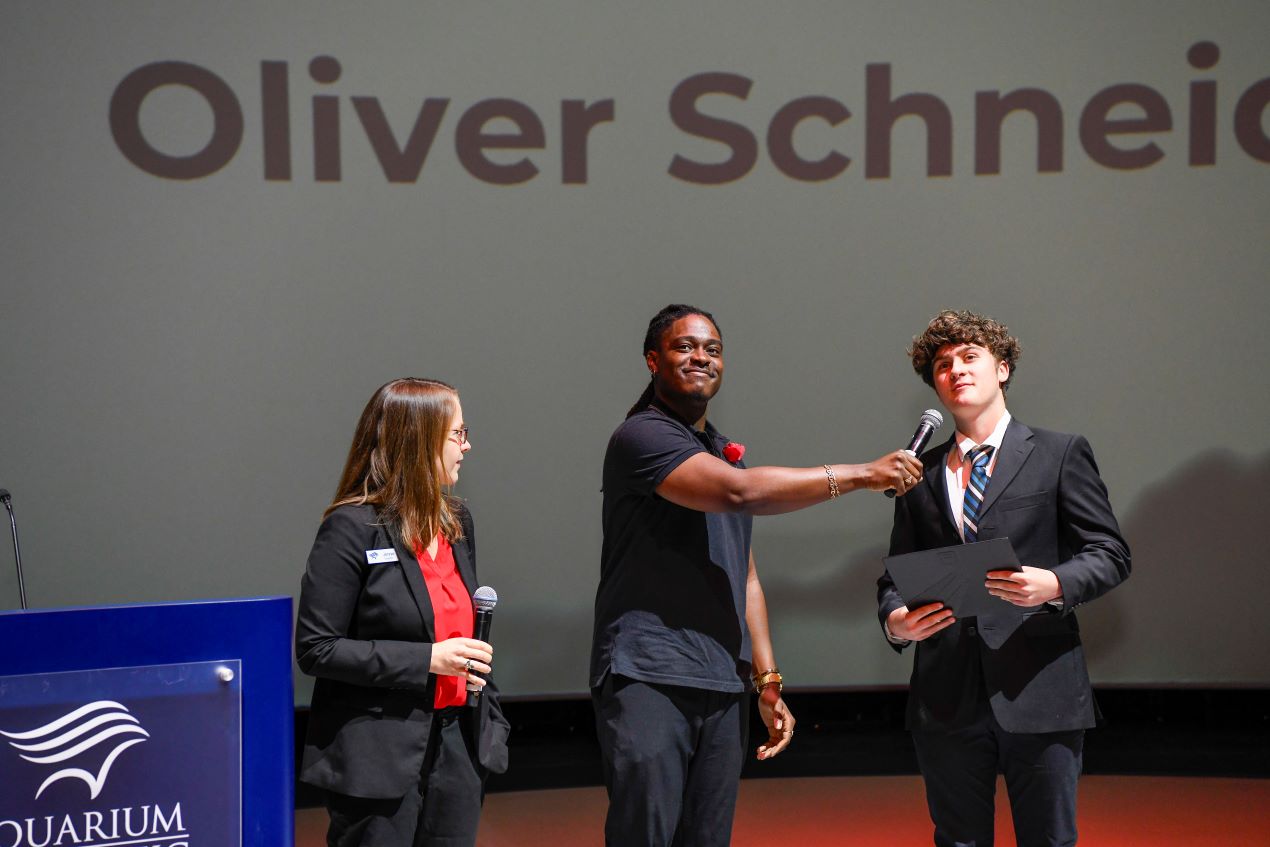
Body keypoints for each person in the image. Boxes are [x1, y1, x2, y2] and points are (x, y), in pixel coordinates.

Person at [593, 304, 924, 847]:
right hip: (649, 674)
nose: (701, 356)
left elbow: (743, 577)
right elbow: (739, 494)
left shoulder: (721, 453)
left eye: (713, 349)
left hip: (722, 680)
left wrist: (766, 680)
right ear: (653, 360)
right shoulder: (642, 437)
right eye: (685, 347)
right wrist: (863, 474)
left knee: (708, 837)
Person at [878, 310, 1131, 847]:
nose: (956, 371)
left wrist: (1054, 585)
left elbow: (1109, 552)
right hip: (945, 697)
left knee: (1049, 839)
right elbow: (895, 576)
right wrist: (897, 622)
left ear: (1003, 368)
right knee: (958, 840)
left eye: (970, 357)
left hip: (1039, 687)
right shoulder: (917, 475)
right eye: (943, 365)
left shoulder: (1059, 453)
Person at [296, 378, 510, 847]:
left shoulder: (457, 523)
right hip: (379, 755)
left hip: (458, 744)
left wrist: (491, 723)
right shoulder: (351, 528)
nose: (467, 445)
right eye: (457, 434)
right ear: (419, 441)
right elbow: (317, 649)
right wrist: (428, 660)